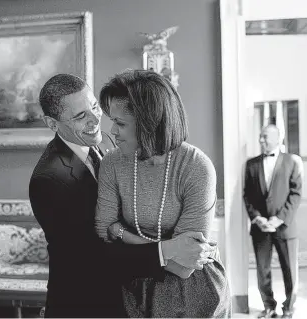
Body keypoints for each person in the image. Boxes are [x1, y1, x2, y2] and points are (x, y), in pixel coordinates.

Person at [29, 73, 219, 318]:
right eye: (80, 116)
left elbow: (114, 228)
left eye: (95, 108)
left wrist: (120, 232)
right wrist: (166, 250)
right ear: (52, 124)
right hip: (85, 303)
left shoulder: (109, 142)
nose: (95, 121)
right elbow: (92, 256)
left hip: (146, 297)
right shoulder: (49, 179)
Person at [95, 69, 232, 318]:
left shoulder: (196, 167)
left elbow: (185, 266)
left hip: (194, 295)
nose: (112, 131)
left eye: (120, 123)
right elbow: (104, 230)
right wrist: (168, 248)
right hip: (134, 288)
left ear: (150, 124)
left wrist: (122, 232)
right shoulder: (112, 163)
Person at [243, 124, 303, 319]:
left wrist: (279, 219)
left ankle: (289, 308)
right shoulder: (251, 164)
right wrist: (257, 218)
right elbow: (247, 196)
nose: (261, 140)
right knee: (263, 271)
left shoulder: (292, 161)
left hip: (285, 227)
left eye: (265, 136)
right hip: (260, 228)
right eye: (260, 136)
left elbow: (295, 194)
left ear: (278, 138)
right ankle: (269, 307)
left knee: (290, 271)